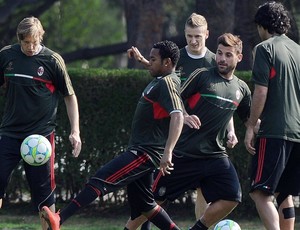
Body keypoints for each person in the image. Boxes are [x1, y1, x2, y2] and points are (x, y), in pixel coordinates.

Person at [41, 40, 184, 230]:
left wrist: (168, 152)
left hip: (145, 152)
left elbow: (178, 115)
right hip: (142, 149)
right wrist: (142, 60)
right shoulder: (161, 78)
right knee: (146, 205)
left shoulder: (168, 83)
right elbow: (156, 69)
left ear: (167, 62)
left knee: (100, 179)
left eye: (153, 59)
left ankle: (60, 218)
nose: (150, 62)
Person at [125, 33, 251, 230]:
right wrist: (184, 114)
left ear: (239, 58)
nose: (221, 59)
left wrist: (250, 130)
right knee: (152, 202)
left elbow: (248, 119)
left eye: (228, 55)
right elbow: (175, 97)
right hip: (184, 153)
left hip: (215, 156)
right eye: (219, 53)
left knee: (232, 196)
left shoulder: (241, 88)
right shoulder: (203, 75)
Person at [0, 16, 82, 230]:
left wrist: (75, 131)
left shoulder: (52, 60)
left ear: (41, 37)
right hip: (9, 134)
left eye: (34, 42)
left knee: (44, 195)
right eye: (25, 42)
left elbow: (69, 96)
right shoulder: (6, 56)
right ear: (19, 40)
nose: (30, 46)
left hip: (40, 138)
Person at [244, 2, 300, 230]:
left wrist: (250, 125)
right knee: (283, 192)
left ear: (261, 25)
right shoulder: (298, 50)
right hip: (298, 133)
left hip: (276, 131)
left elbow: (261, 91)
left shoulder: (264, 49)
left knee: (260, 193)